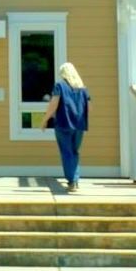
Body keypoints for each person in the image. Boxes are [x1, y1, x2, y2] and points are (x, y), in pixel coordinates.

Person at [41, 62, 90, 192]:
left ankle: (72, 181)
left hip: (63, 123)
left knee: (67, 152)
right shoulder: (83, 88)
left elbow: (54, 104)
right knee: (74, 152)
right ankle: (75, 179)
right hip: (79, 125)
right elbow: (88, 106)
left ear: (63, 73)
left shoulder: (60, 86)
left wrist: (45, 120)